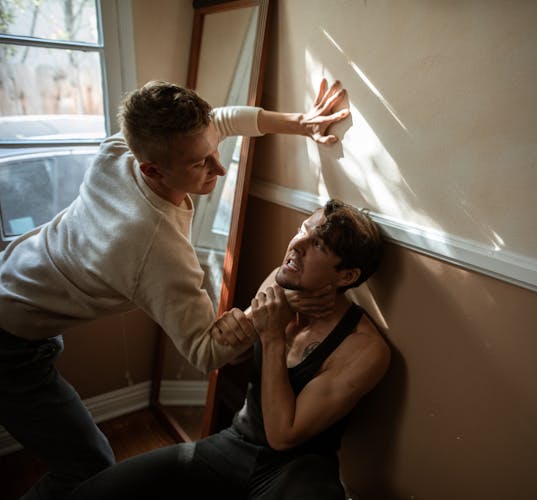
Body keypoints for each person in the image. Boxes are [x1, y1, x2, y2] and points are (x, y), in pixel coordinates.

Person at [0, 79, 349, 499]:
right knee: (86, 466)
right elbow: (205, 352)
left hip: (12, 282)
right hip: (8, 342)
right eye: (200, 163)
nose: (219, 170)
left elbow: (220, 120)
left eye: (211, 152)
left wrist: (300, 123)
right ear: (152, 169)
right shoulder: (154, 246)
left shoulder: (120, 150)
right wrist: (277, 302)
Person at [68, 199, 391, 500]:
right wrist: (244, 325)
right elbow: (231, 355)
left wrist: (273, 335)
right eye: (301, 230)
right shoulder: (280, 284)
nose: (296, 245)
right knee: (98, 491)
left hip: (297, 469)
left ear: (346, 275)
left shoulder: (364, 349)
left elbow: (282, 435)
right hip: (234, 443)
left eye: (317, 244)